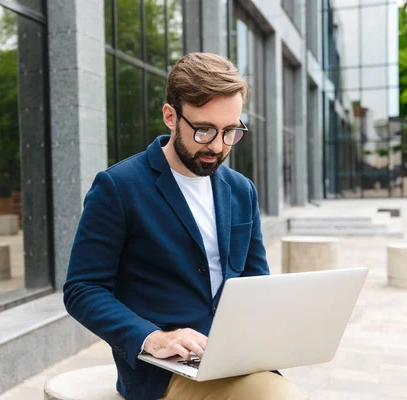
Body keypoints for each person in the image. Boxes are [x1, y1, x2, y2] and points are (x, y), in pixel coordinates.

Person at [63, 53, 306, 400]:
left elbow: (255, 282)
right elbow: (82, 289)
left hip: (234, 358)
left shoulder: (241, 190)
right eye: (204, 130)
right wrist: (154, 338)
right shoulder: (119, 187)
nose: (219, 146)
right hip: (162, 368)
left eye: (230, 131)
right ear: (170, 117)